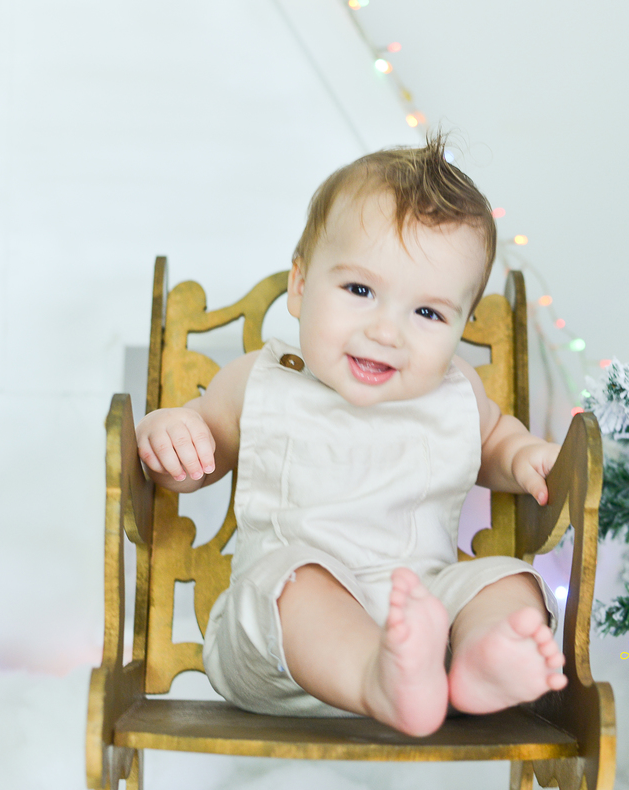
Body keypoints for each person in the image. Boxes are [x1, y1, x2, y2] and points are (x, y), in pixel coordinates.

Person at [135, 135, 567, 737]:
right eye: (360, 291)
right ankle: (377, 677)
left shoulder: (454, 390)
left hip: (420, 619)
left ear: (460, 327)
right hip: (279, 650)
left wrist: (523, 457)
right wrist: (170, 434)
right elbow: (191, 463)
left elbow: (492, 440)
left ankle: (475, 665)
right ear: (301, 286)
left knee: (507, 580)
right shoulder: (258, 382)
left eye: (428, 314)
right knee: (292, 579)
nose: (386, 331)